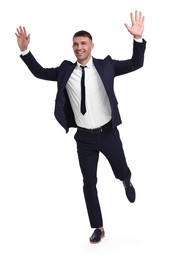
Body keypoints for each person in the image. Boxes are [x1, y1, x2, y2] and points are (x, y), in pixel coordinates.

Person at [15, 10, 146, 243]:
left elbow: (136, 63)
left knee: (120, 169)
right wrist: (25, 50)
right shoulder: (66, 70)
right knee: (89, 183)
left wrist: (137, 38)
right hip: (84, 139)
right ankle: (98, 227)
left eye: (83, 43)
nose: (79, 47)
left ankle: (126, 180)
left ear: (91, 46)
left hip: (108, 133)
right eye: (75, 44)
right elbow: (39, 72)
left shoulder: (106, 66)